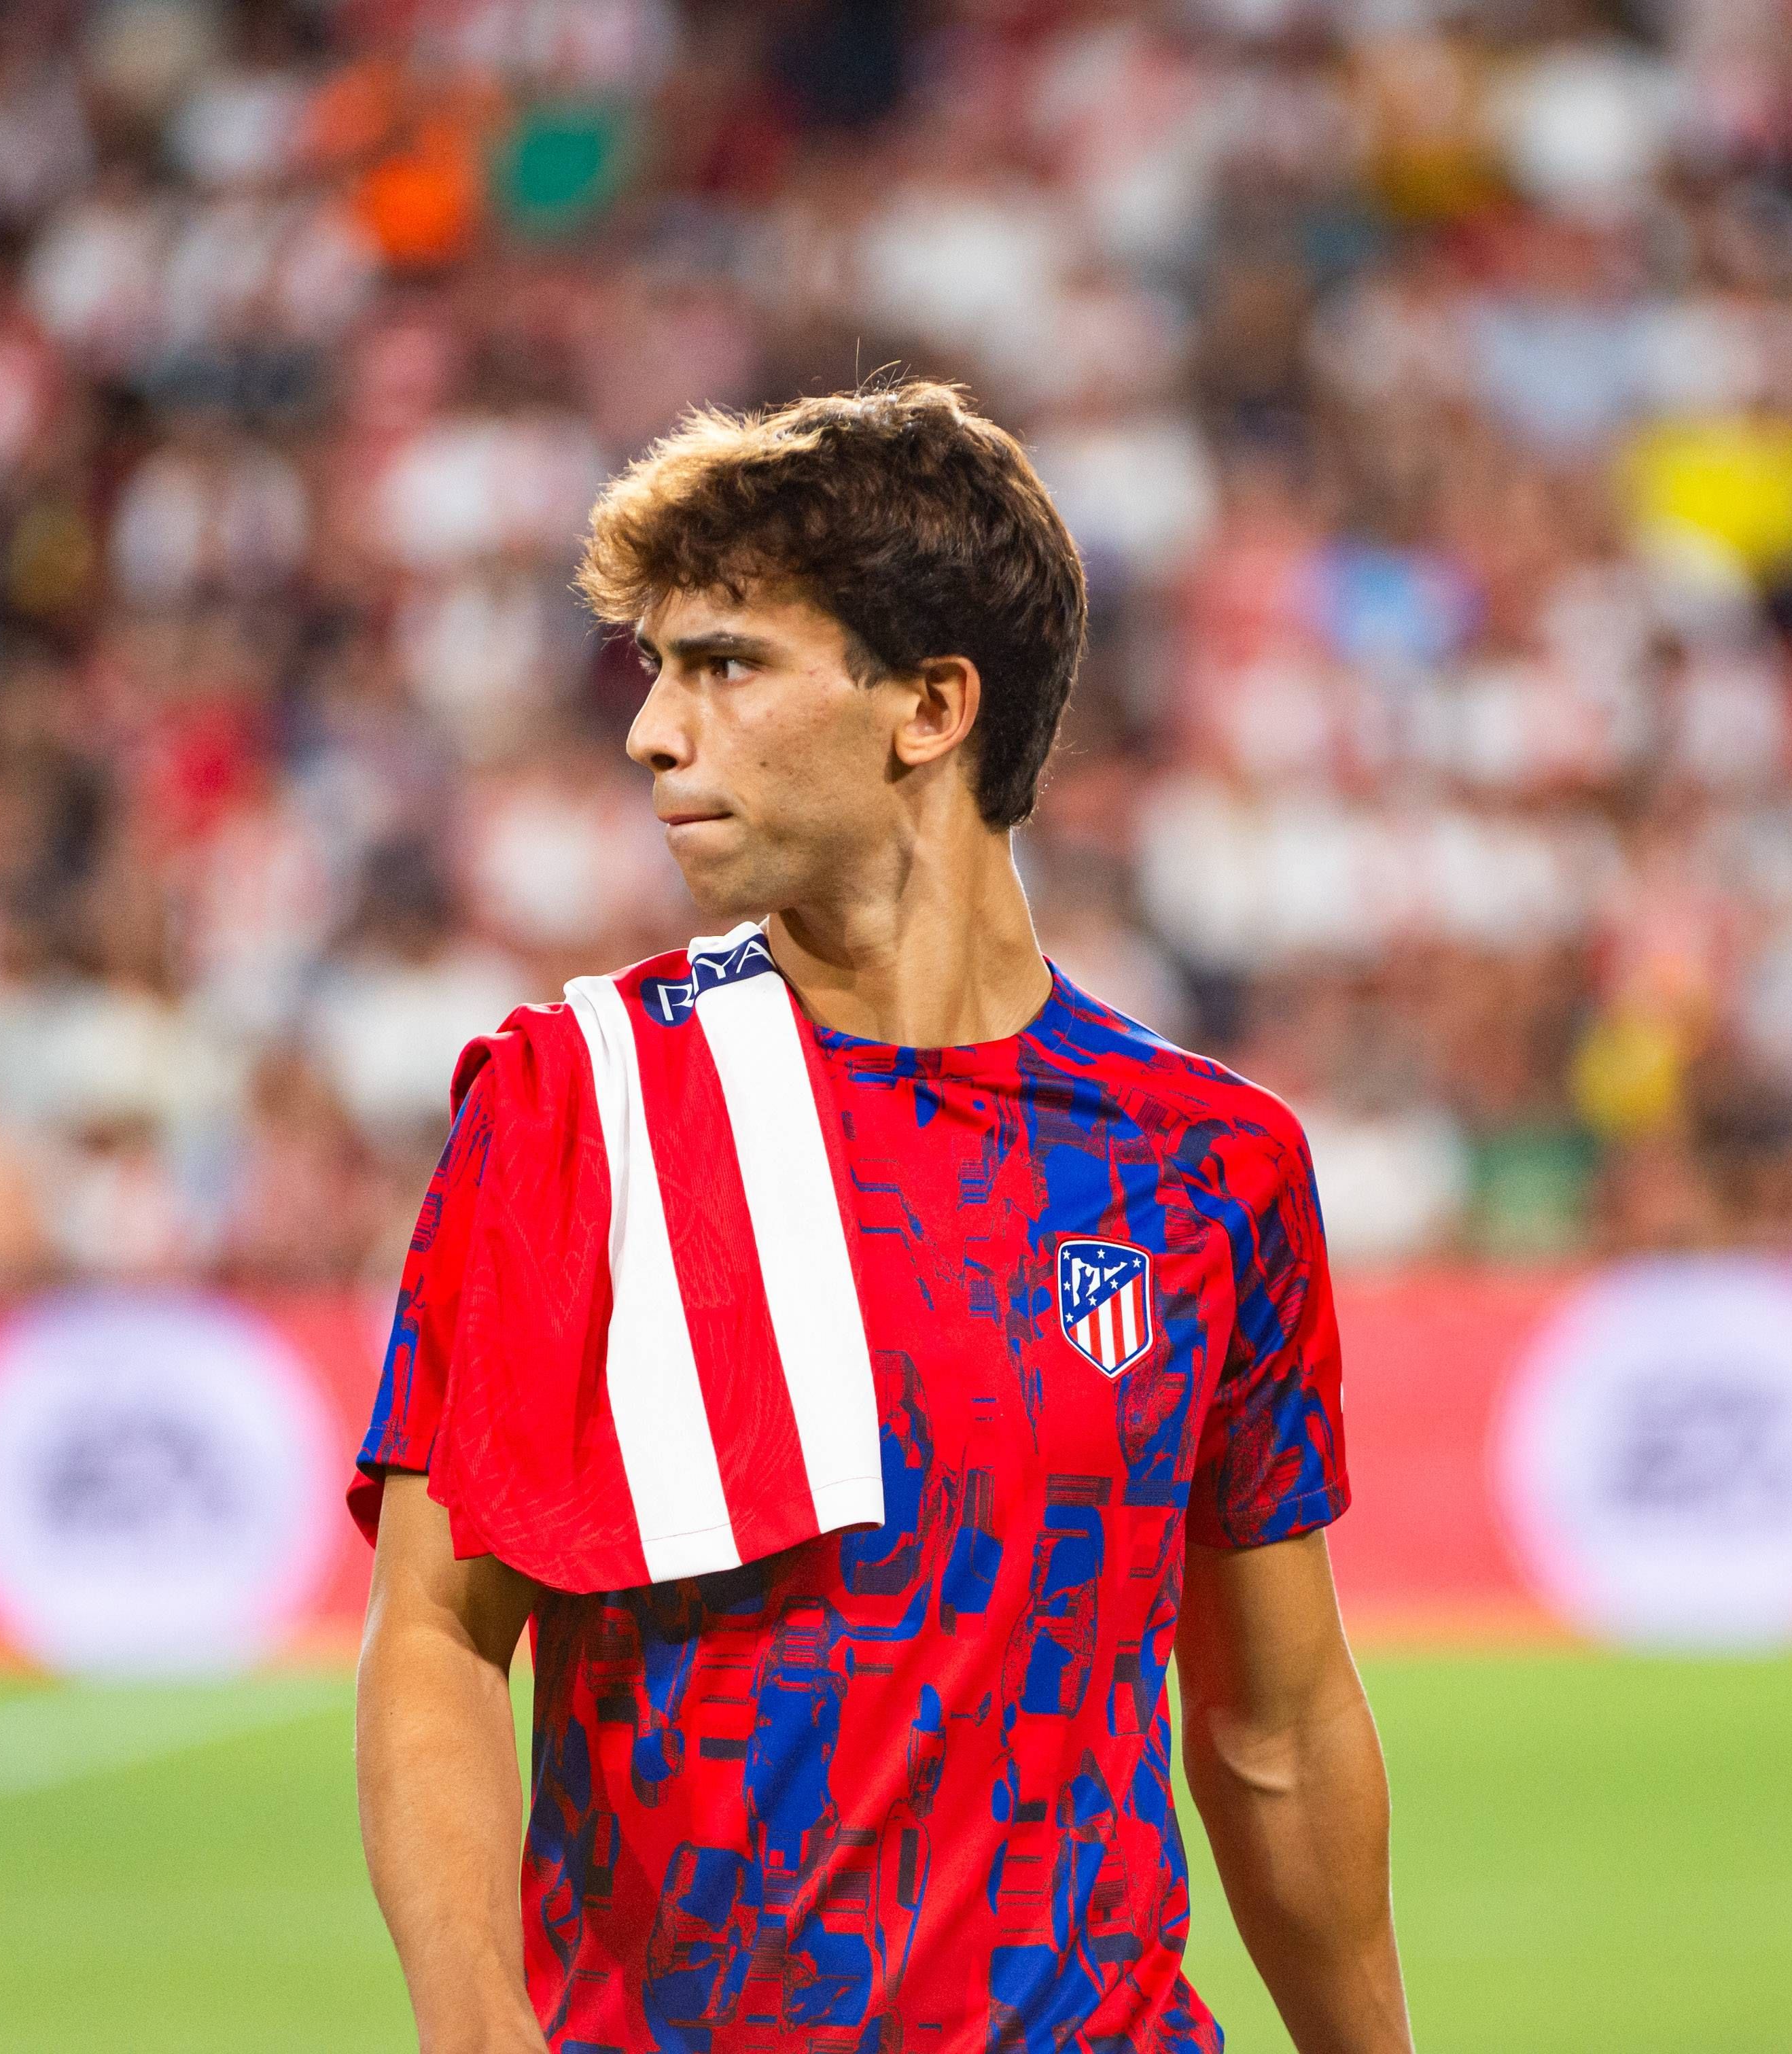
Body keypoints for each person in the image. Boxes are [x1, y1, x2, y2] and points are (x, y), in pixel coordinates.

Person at [349, 381, 1413, 2054]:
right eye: (654, 669)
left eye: (724, 663)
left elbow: (1274, 1725)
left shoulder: (1207, 1165)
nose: (651, 730)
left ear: (927, 706)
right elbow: (436, 1629)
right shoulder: (582, 1107)